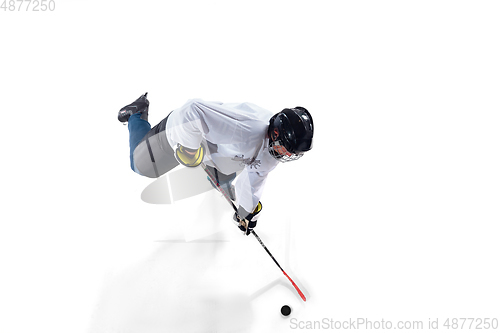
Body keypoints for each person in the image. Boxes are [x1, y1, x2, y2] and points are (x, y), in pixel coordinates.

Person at [118, 93, 314, 235]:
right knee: (140, 165)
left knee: (237, 164)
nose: (285, 155)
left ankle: (221, 178)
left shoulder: (274, 148)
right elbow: (192, 110)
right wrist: (189, 148)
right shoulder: (246, 128)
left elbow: (255, 176)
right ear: (276, 133)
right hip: (179, 131)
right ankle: (138, 113)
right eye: (285, 149)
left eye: (290, 153)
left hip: (219, 149)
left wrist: (247, 213)